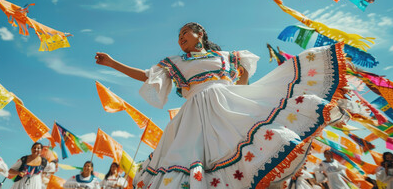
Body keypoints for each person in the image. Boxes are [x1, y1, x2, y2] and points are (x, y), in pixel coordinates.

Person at [95, 22, 349, 188]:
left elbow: (242, 78)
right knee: (195, 160)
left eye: (185, 32)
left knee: (246, 152)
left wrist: (245, 92)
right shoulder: (175, 62)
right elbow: (146, 75)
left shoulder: (226, 57)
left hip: (228, 105)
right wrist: (113, 63)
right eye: (178, 36)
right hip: (194, 114)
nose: (180, 37)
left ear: (200, 33)